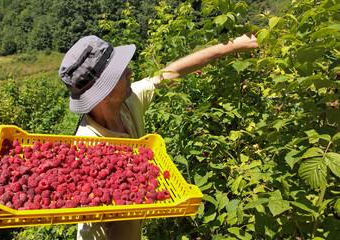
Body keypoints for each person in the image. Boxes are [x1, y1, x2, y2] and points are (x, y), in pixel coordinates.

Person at [58, 33, 258, 240]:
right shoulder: (89, 148)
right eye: (119, 73)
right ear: (104, 91)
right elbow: (119, 222)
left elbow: (171, 73)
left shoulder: (128, 101)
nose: (130, 72)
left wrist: (230, 46)